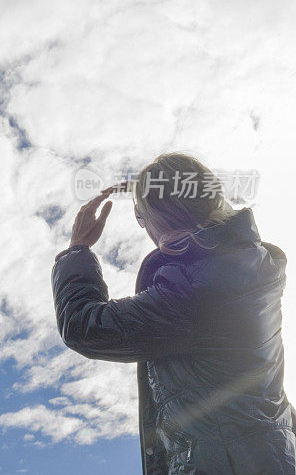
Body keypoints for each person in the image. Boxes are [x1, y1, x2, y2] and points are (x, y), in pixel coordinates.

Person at [51, 152, 295, 474]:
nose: (145, 227)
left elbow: (84, 326)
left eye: (141, 216)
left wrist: (77, 249)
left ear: (162, 216)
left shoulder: (196, 291)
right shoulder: (249, 269)